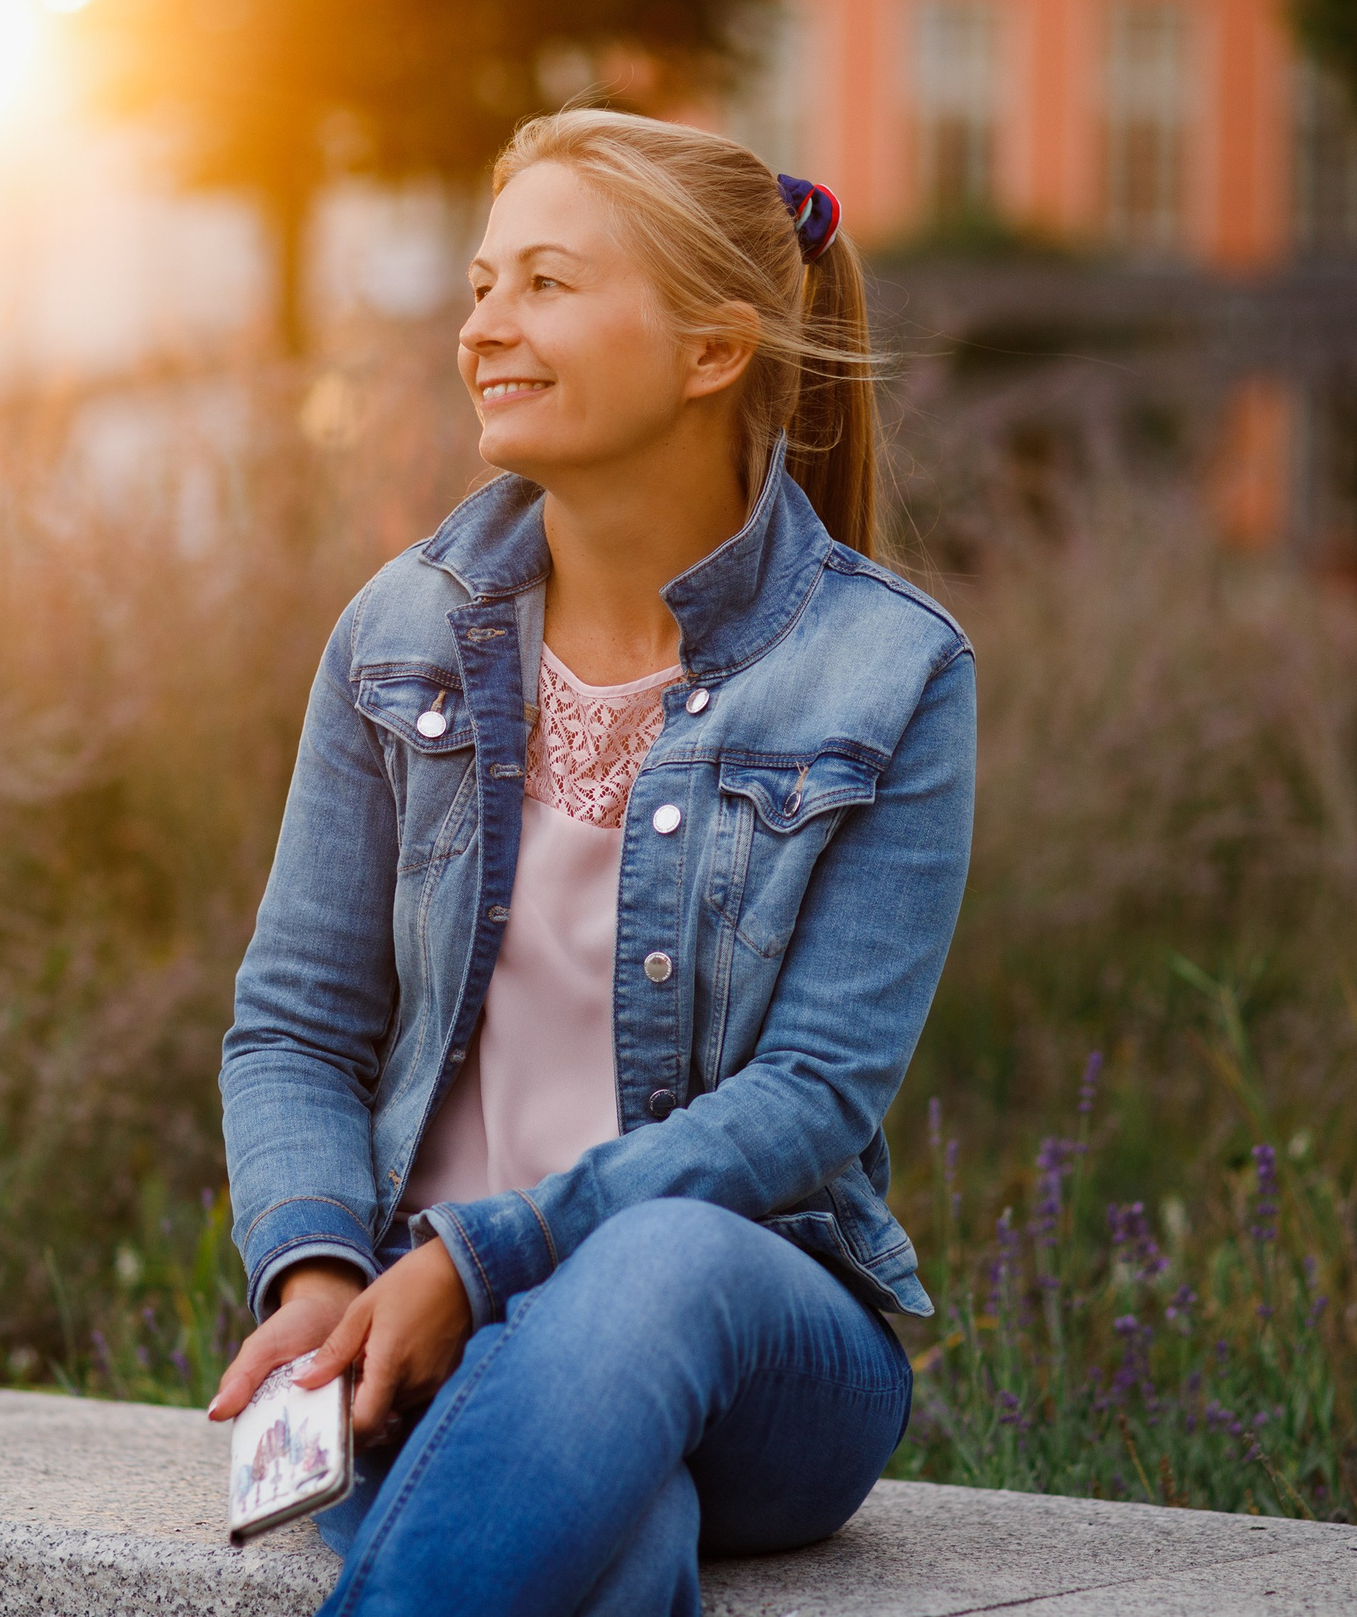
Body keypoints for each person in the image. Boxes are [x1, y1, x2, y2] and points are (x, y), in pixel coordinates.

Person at [206, 108, 976, 1617]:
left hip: (759, 1340)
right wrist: (321, 1275)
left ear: (713, 348)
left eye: (546, 284)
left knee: (658, 1263)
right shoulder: (398, 632)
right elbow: (295, 1024)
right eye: (483, 285)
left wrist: (490, 1257)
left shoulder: (890, 670)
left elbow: (813, 1096)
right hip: (424, 1334)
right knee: (620, 1545)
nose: (484, 325)